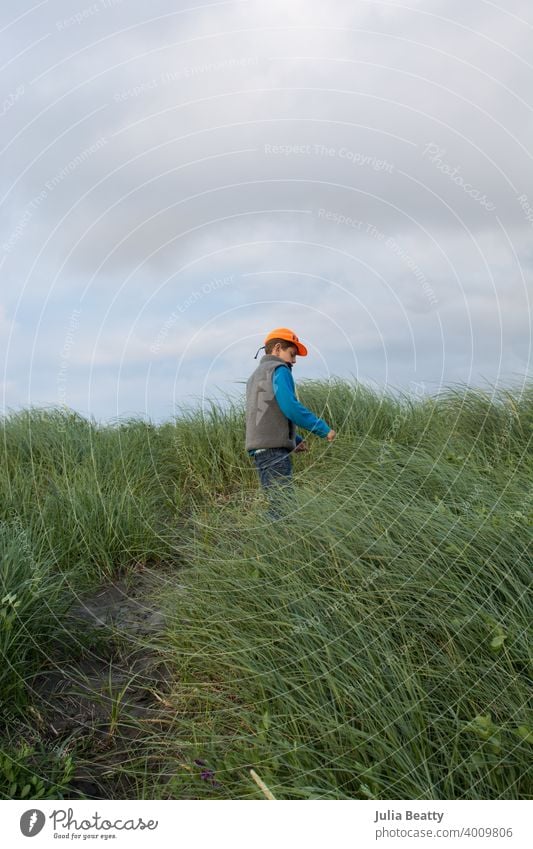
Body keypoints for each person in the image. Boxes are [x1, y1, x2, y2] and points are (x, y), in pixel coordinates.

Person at [245, 327, 336, 518]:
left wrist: (294, 439)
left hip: (260, 453)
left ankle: (266, 541)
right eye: (292, 354)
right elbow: (290, 407)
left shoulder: (254, 377)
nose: (294, 361)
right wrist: (323, 429)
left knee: (277, 506)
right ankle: (270, 543)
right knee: (283, 510)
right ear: (277, 349)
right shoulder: (279, 369)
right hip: (275, 453)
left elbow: (266, 415)